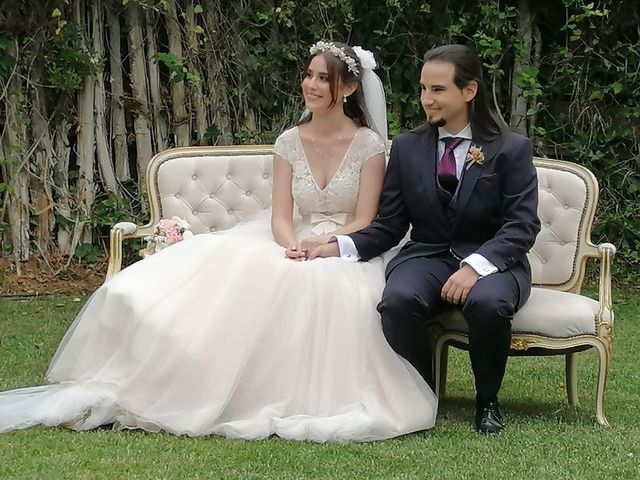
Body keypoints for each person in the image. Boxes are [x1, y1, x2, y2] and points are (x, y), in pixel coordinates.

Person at [0, 41, 437, 442]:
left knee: (327, 285)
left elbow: (365, 218)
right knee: (243, 270)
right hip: (291, 237)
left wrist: (326, 244)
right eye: (308, 74)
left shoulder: (368, 145)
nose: (312, 84)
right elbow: (282, 216)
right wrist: (291, 245)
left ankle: (295, 392)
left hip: (348, 241)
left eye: (324, 77)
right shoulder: (289, 140)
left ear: (349, 87)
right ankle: (189, 379)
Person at [310, 44, 540, 435]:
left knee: (488, 303)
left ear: (468, 92)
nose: (426, 99)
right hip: (428, 255)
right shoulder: (408, 147)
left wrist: (475, 267)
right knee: (398, 301)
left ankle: (487, 403)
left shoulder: (510, 149)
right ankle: (421, 394)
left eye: (437, 90)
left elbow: (522, 226)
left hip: (492, 261)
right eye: (422, 89)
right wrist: (341, 245)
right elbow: (391, 225)